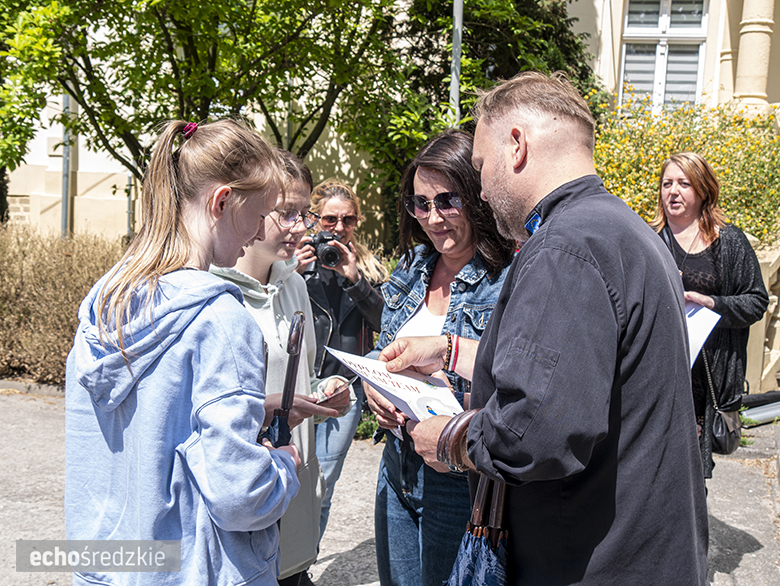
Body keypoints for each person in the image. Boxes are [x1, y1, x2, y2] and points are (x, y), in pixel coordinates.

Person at [375, 72, 710, 585]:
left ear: (517, 145)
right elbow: (577, 379)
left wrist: (450, 439)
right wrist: (450, 351)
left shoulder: (564, 247)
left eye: (481, 167)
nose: (482, 191)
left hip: (593, 561)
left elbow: (534, 433)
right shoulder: (622, 228)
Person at [65, 120, 338, 586]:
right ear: (222, 201)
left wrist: (257, 408)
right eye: (260, 214)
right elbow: (241, 497)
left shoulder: (107, 301)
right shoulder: (220, 319)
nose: (257, 233)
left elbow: (148, 431)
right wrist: (284, 464)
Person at [363, 128, 515, 586]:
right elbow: (386, 346)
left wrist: (451, 366)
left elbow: (521, 377)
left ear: (476, 197)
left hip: (460, 478)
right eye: (420, 203)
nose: (432, 217)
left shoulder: (507, 277)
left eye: (447, 201)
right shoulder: (413, 266)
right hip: (398, 466)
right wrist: (373, 382)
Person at [210, 151, 354, 586]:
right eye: (285, 212)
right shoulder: (212, 293)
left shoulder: (295, 285)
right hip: (243, 509)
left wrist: (325, 388)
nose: (299, 227)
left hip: (293, 502)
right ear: (249, 210)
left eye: (303, 213)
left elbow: (299, 377)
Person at [651, 152, 769, 477]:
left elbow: (756, 301)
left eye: (684, 184)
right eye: (667, 184)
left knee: (691, 475)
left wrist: (713, 304)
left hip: (706, 377)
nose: (673, 192)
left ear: (703, 190)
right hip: (658, 374)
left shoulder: (729, 242)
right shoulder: (648, 239)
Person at [295, 179, 387, 540]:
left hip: (344, 391)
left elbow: (385, 323)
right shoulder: (296, 261)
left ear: (357, 221)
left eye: (347, 219)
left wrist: (355, 279)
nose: (338, 227)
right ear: (316, 219)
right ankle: (291, 560)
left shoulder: (368, 269)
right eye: (330, 219)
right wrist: (290, 273)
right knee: (294, 480)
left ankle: (304, 561)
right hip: (301, 386)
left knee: (323, 484)